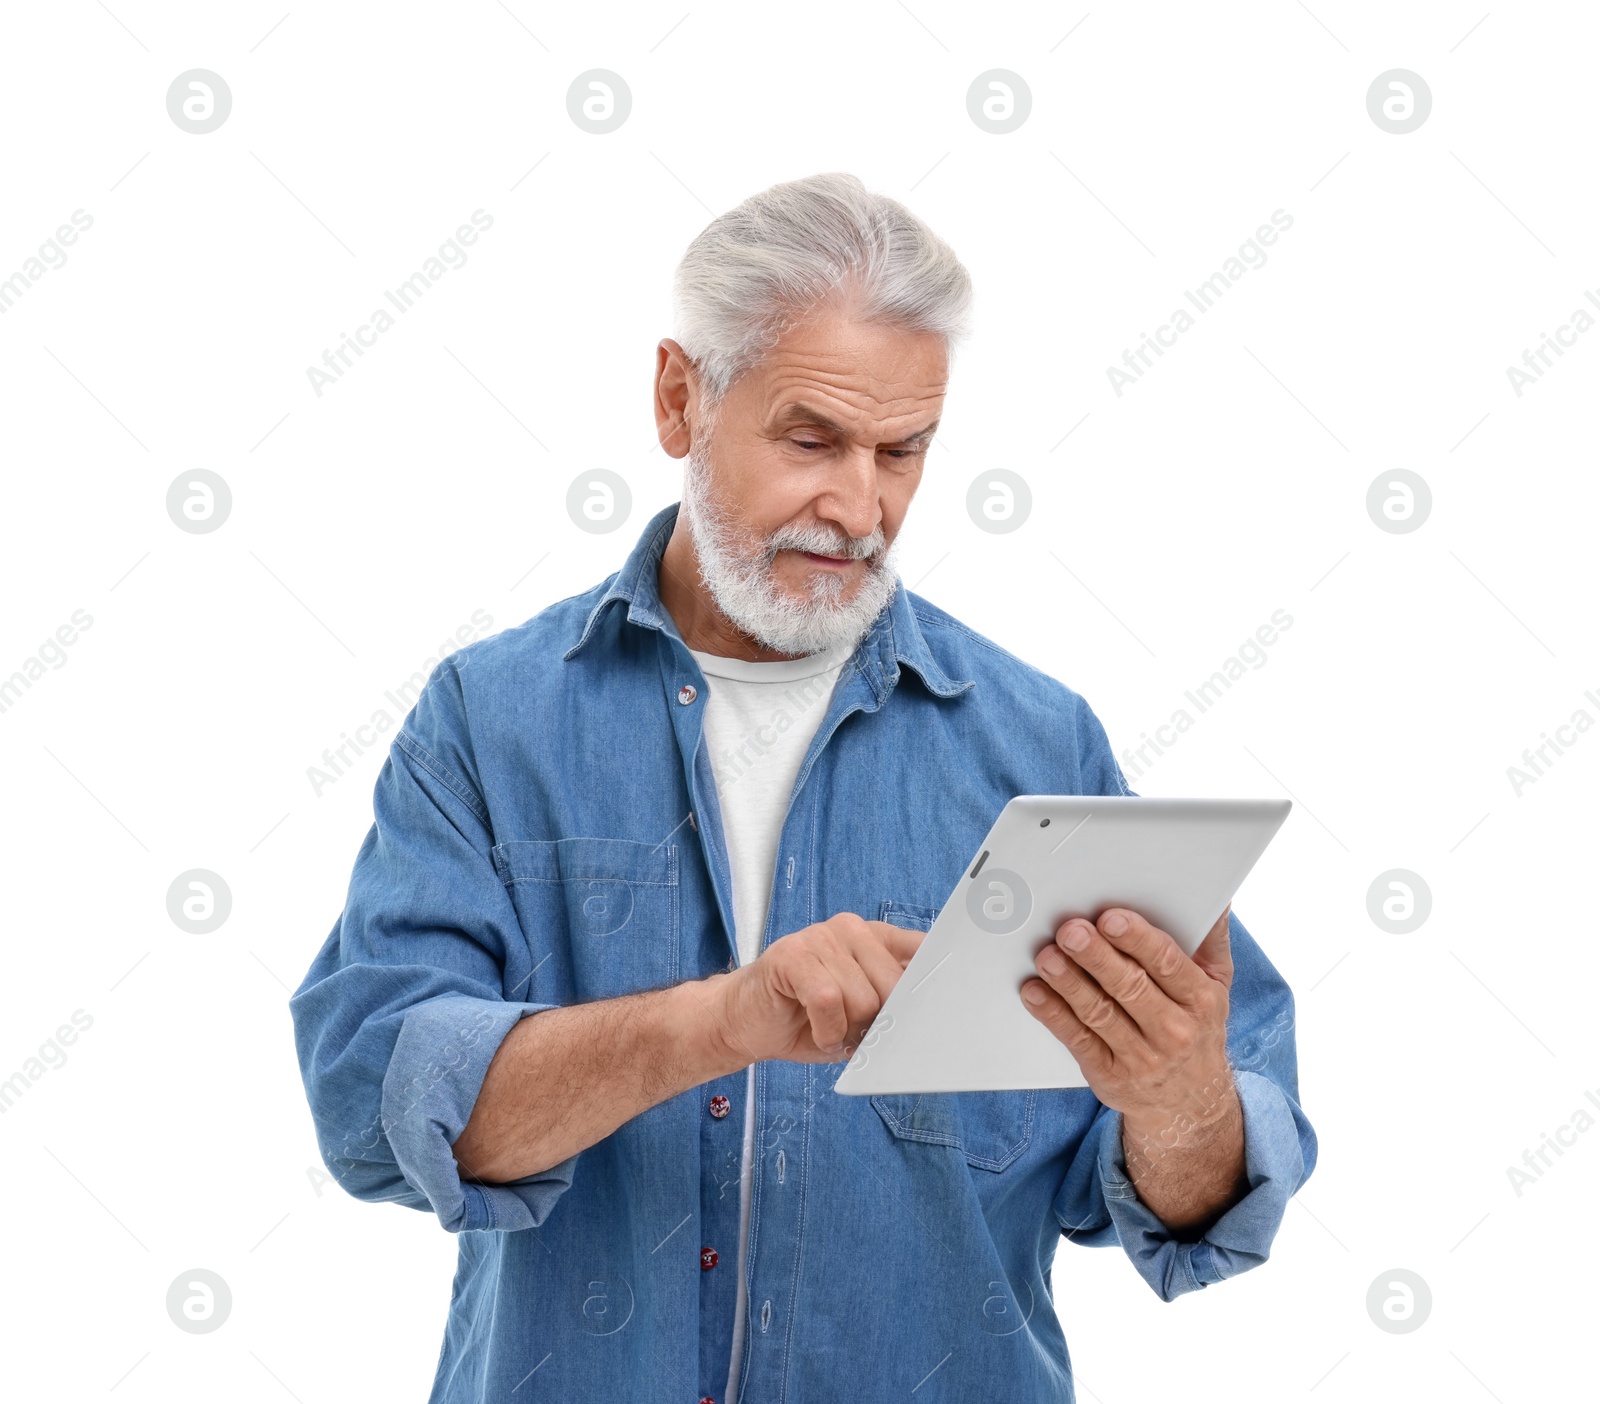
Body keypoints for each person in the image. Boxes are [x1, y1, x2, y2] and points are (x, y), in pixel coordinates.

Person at [290, 172, 1316, 1404]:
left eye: (903, 452)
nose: (859, 507)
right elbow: (375, 1103)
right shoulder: (492, 719)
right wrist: (724, 1021)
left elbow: (1193, 1190)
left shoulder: (1039, 744)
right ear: (679, 398)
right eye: (810, 439)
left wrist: (1177, 1099)